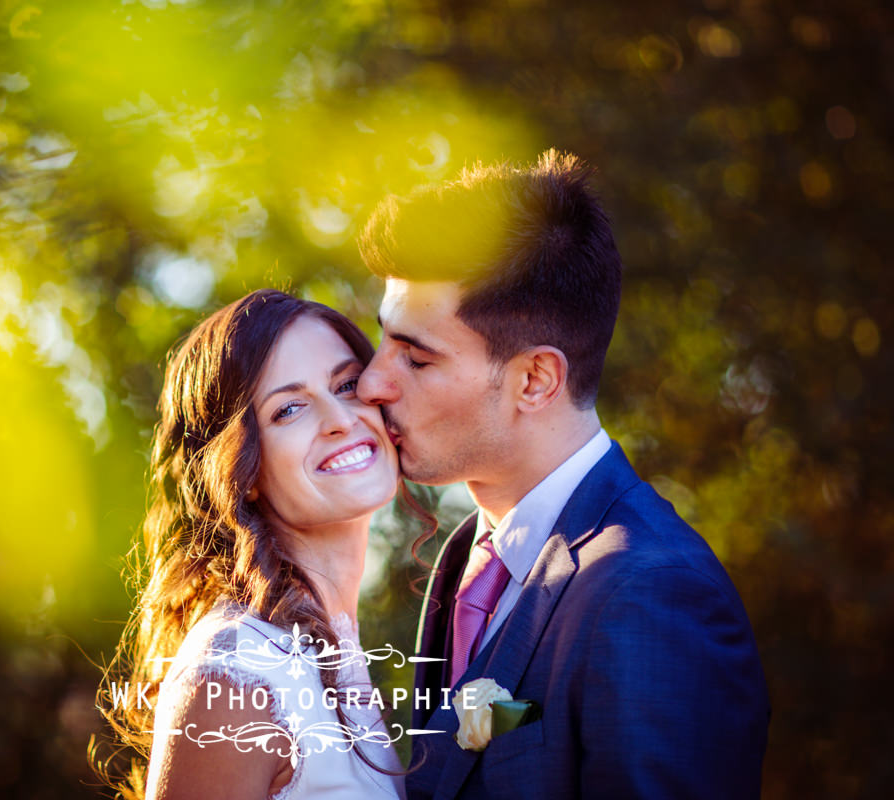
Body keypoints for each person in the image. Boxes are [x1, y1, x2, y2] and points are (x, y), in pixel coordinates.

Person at [355, 151, 770, 799]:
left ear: (535, 380)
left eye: (415, 357)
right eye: (383, 340)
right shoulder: (465, 558)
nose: (372, 382)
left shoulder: (652, 593)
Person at [103, 289, 415, 800]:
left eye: (348, 384)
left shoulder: (333, 648)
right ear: (240, 469)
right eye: (289, 409)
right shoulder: (237, 672)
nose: (339, 417)